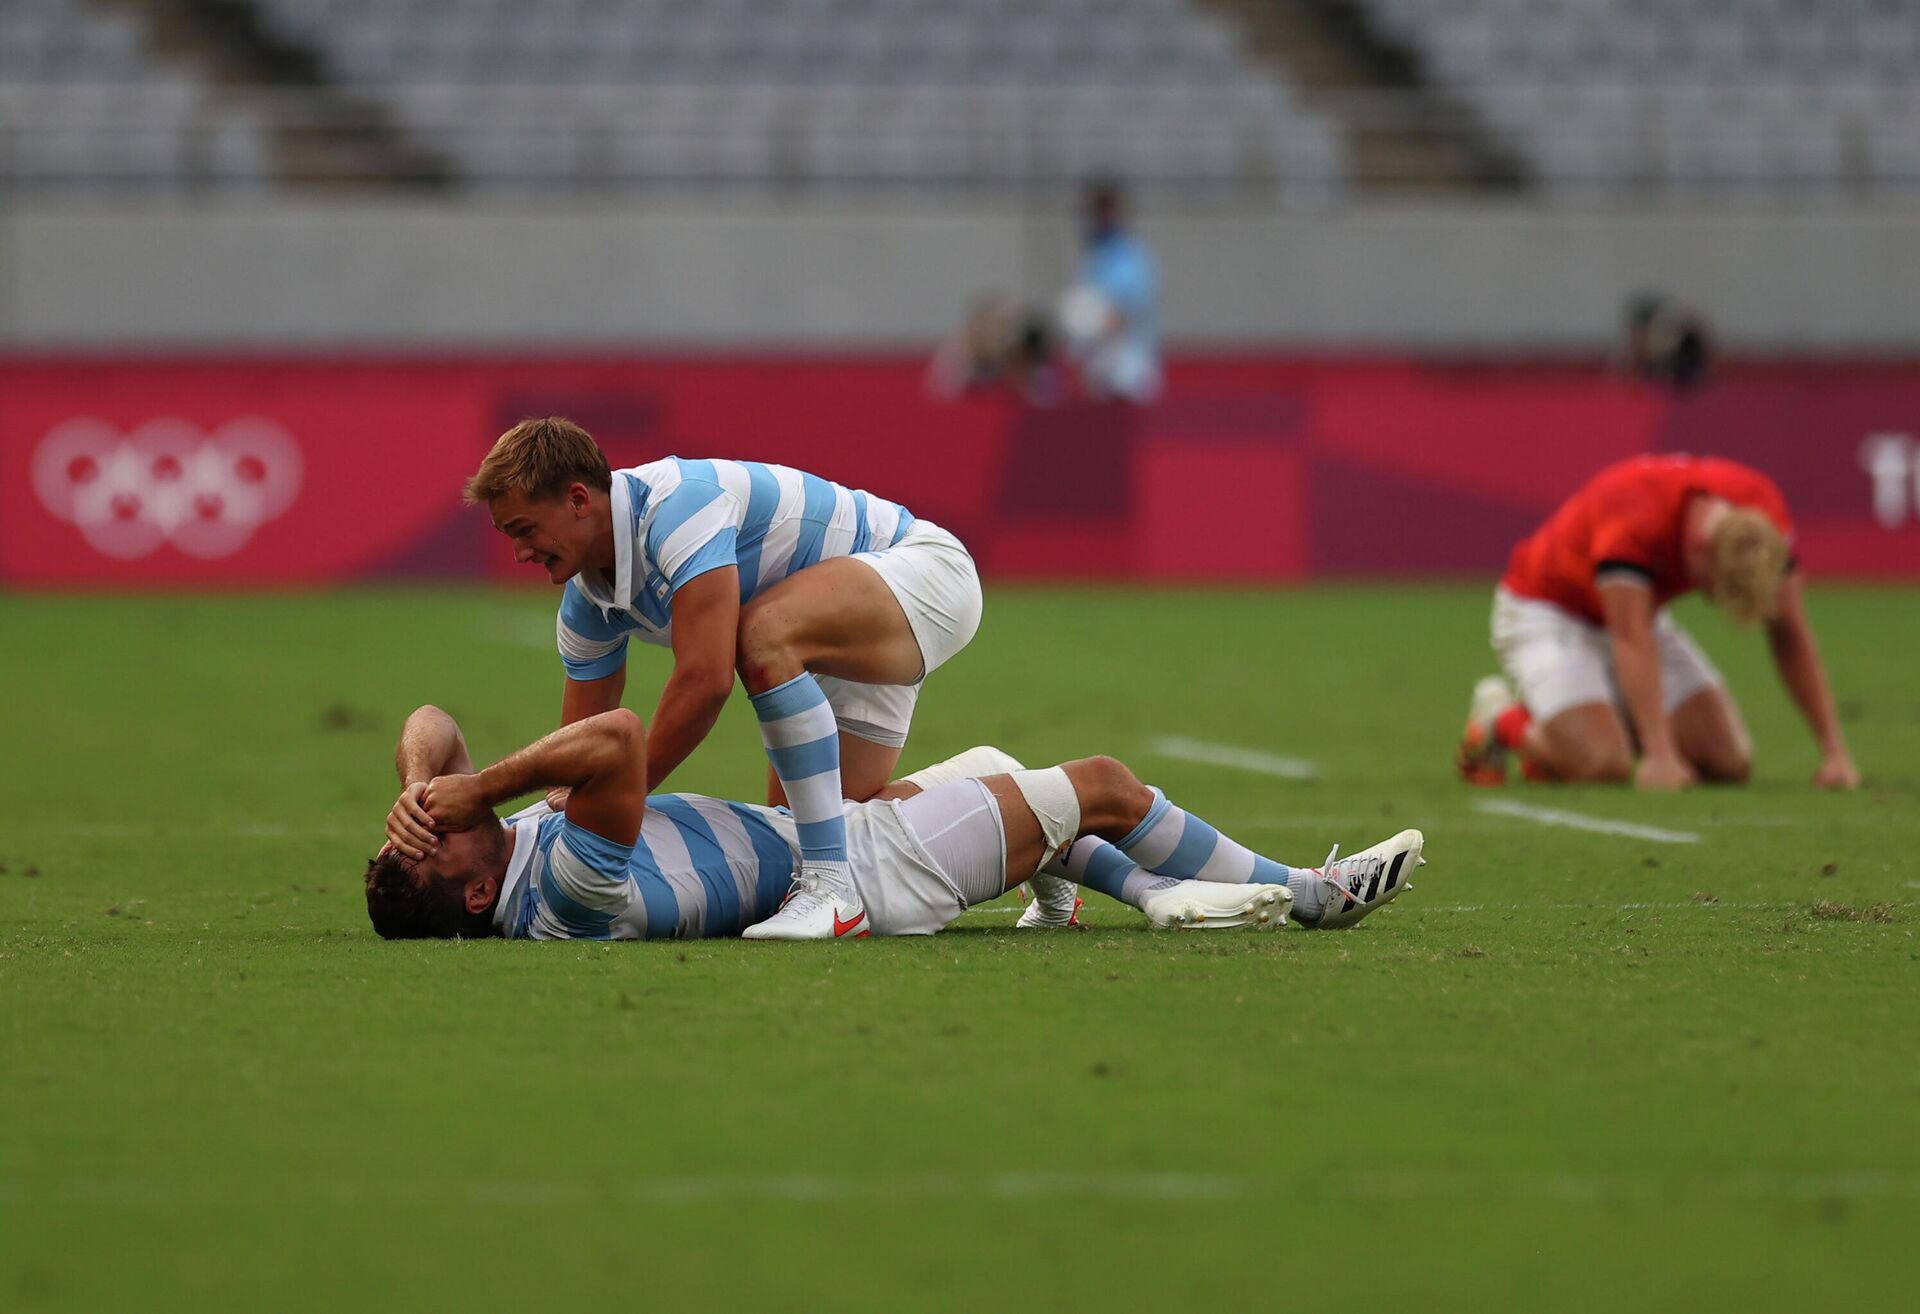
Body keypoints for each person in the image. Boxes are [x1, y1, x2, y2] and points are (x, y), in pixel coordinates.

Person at [461, 418, 983, 939]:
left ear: (579, 500)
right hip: (841, 636)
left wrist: (616, 795)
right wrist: (511, 830)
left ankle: (832, 890)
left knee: (759, 635)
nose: (519, 554)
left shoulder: (678, 509)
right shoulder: (584, 606)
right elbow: (577, 758)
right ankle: (1042, 832)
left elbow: (705, 681)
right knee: (809, 829)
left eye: (525, 530)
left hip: (923, 574)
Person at [371, 705, 1426, 942]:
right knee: (1098, 780)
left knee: (996, 769)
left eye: (415, 823)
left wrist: (426, 780)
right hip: (867, 878)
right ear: (472, 890)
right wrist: (472, 794)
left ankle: (1141, 896)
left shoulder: (502, 861)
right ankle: (1309, 896)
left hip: (835, 843)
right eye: (433, 837)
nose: (438, 817)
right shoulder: (563, 893)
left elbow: (432, 721)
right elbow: (615, 737)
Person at [1456, 453, 1859, 791]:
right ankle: (1500, 715)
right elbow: (1629, 636)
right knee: (1604, 766)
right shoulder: (1634, 514)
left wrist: (1834, 752)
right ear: (1700, 549)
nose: (1712, 599)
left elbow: (1789, 632)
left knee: (1728, 763)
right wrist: (1660, 755)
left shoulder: (1762, 509)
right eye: (1715, 588)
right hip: (1546, 611)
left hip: (1640, 612)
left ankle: (1576, 729)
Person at [1059, 179, 1161, 404]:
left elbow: (1127, 312)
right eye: (1096, 210)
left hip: (1128, 356)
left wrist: (1101, 323)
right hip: (1098, 357)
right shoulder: (1090, 257)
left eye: (1106, 209)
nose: (1100, 217)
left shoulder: (1132, 256)